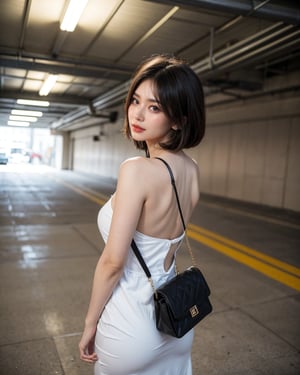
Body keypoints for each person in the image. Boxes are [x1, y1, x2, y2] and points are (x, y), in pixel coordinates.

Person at [78, 54, 205, 374]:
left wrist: (90, 322)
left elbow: (112, 262)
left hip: (129, 326)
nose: (137, 113)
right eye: (136, 100)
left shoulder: (136, 171)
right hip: (176, 323)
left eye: (155, 107)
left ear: (178, 119)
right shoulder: (192, 170)